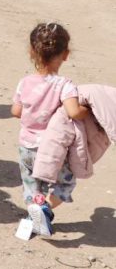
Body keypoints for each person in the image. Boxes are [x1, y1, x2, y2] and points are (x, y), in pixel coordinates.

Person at [11, 23, 89, 237]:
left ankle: (34, 213)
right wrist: (87, 110)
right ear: (65, 54)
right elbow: (73, 111)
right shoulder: (64, 85)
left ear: (32, 51)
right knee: (65, 182)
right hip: (51, 148)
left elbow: (16, 111)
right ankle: (45, 208)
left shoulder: (25, 82)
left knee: (31, 185)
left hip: (26, 147)